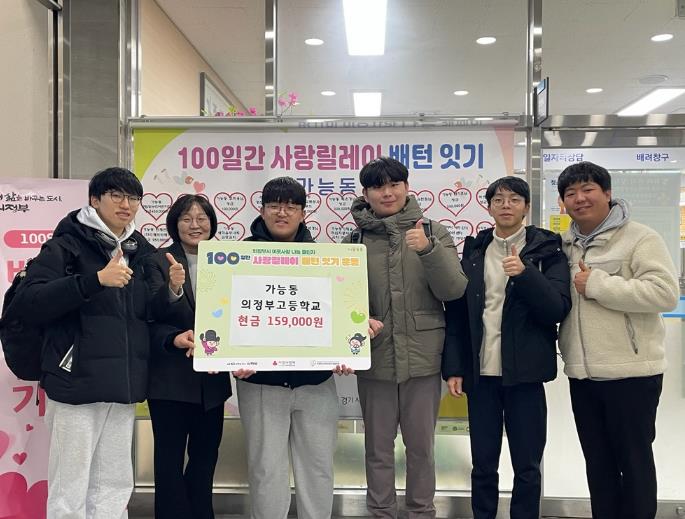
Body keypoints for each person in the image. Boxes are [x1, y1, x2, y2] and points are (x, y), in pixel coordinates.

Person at [15, 167, 174, 518]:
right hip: (76, 382)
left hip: (123, 383)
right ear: (94, 199)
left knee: (114, 483)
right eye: (116, 195)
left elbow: (149, 313)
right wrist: (95, 280)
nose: (126, 204)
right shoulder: (65, 246)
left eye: (133, 198)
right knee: (70, 484)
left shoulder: (140, 250)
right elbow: (31, 302)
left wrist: (172, 290)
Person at [441, 176, 571, 519]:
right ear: (488, 208)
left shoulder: (548, 250)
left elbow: (556, 309)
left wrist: (526, 274)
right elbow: (458, 314)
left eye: (514, 199)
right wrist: (454, 367)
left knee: (527, 465)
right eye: (498, 200)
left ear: (526, 207)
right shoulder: (475, 250)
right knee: (483, 464)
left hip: (525, 375)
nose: (506, 206)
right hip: (481, 375)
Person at [346, 156, 467, 519]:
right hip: (375, 358)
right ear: (366, 193)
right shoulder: (355, 240)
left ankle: (420, 512)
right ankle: (380, 512)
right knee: (377, 449)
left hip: (423, 359)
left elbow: (454, 290)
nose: (387, 192)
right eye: (378, 186)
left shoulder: (433, 232)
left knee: (421, 449)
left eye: (394, 184)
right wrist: (358, 321)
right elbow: (344, 301)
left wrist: (428, 250)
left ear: (406, 187)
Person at [556, 161, 679, 519]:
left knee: (634, 463)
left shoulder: (640, 237)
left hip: (632, 373)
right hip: (582, 374)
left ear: (607, 193)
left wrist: (597, 284)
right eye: (570, 193)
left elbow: (665, 293)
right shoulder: (564, 245)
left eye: (588, 189)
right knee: (598, 464)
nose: (579, 198)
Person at [233, 176, 344, 519]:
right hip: (261, 383)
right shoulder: (236, 257)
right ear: (262, 210)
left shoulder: (325, 258)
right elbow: (228, 316)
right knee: (266, 471)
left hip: (316, 383)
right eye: (274, 205)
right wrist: (231, 356)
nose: (282, 213)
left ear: (303, 213)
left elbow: (339, 311)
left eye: (291, 206)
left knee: (318, 469)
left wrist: (351, 339)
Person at [145, 195, 231, 519]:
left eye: (201, 218)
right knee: (168, 462)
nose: (195, 225)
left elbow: (240, 314)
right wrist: (173, 288)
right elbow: (147, 314)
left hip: (212, 384)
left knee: (205, 459)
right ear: (174, 224)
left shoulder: (228, 259)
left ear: (212, 222)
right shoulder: (155, 261)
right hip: (169, 380)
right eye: (186, 218)